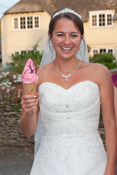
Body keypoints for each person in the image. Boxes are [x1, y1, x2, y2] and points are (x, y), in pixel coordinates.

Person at [20, 8, 116, 175]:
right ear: (50, 37)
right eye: (60, 34)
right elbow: (28, 132)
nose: (67, 41)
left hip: (93, 164)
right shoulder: (37, 75)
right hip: (49, 165)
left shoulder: (99, 72)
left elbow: (110, 124)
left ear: (82, 38)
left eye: (73, 35)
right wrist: (29, 112)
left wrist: (110, 168)